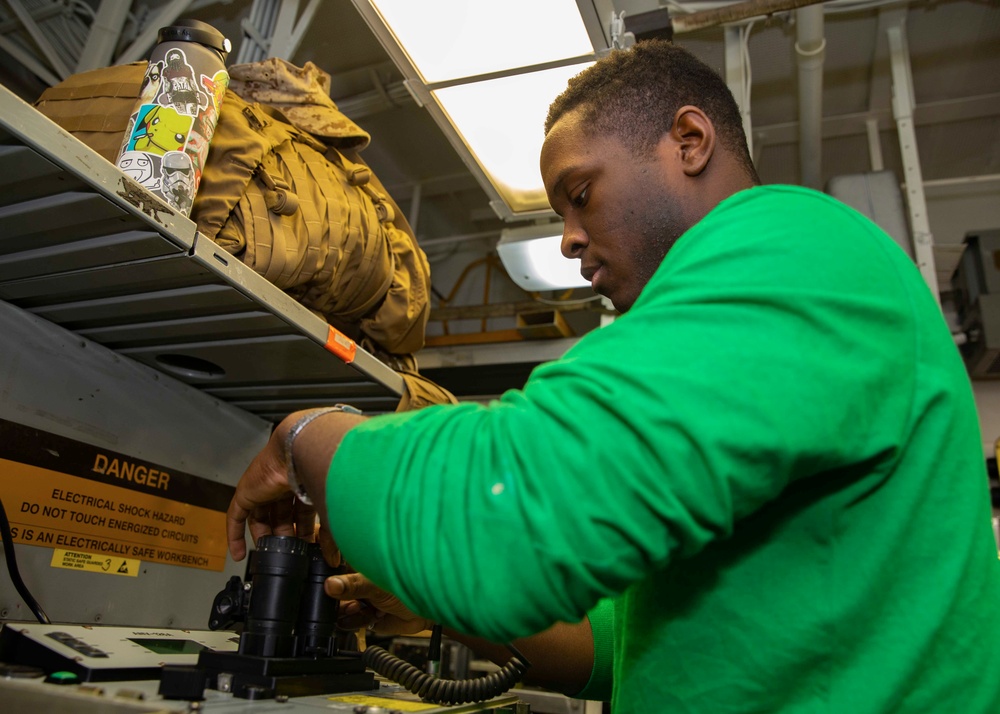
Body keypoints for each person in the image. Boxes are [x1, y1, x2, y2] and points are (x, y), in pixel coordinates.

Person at [227, 40, 1000, 712]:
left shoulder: (795, 249)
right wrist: (430, 596)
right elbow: (615, 653)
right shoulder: (776, 311)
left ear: (689, 140)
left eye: (582, 194)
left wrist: (305, 440)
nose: (568, 239)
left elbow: (508, 511)